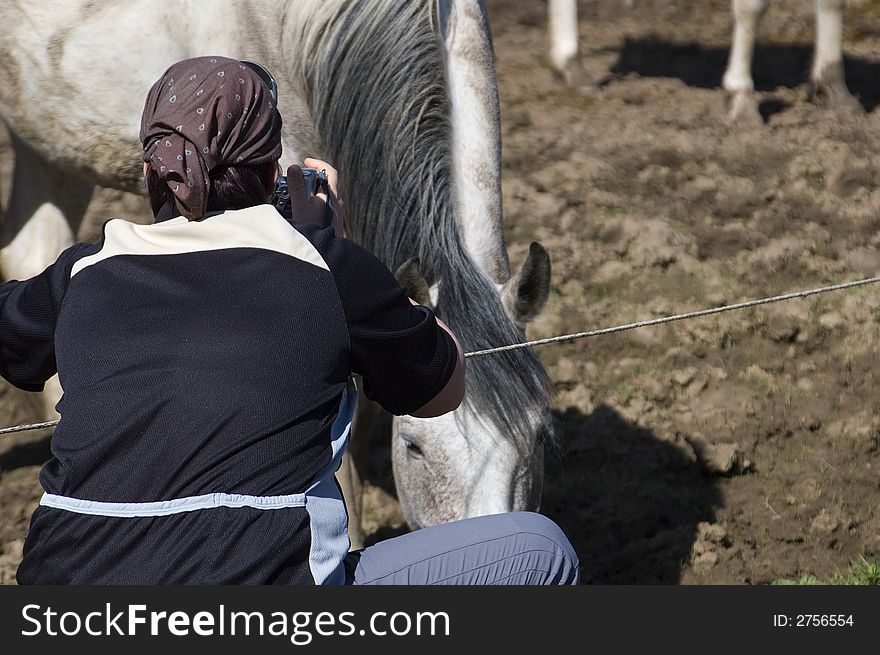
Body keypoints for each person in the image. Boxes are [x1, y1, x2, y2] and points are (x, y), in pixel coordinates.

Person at [4, 56, 578, 585]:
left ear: (153, 170)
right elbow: (442, 387)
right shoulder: (323, 266)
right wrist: (332, 242)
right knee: (541, 549)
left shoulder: (84, 270)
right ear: (268, 169)